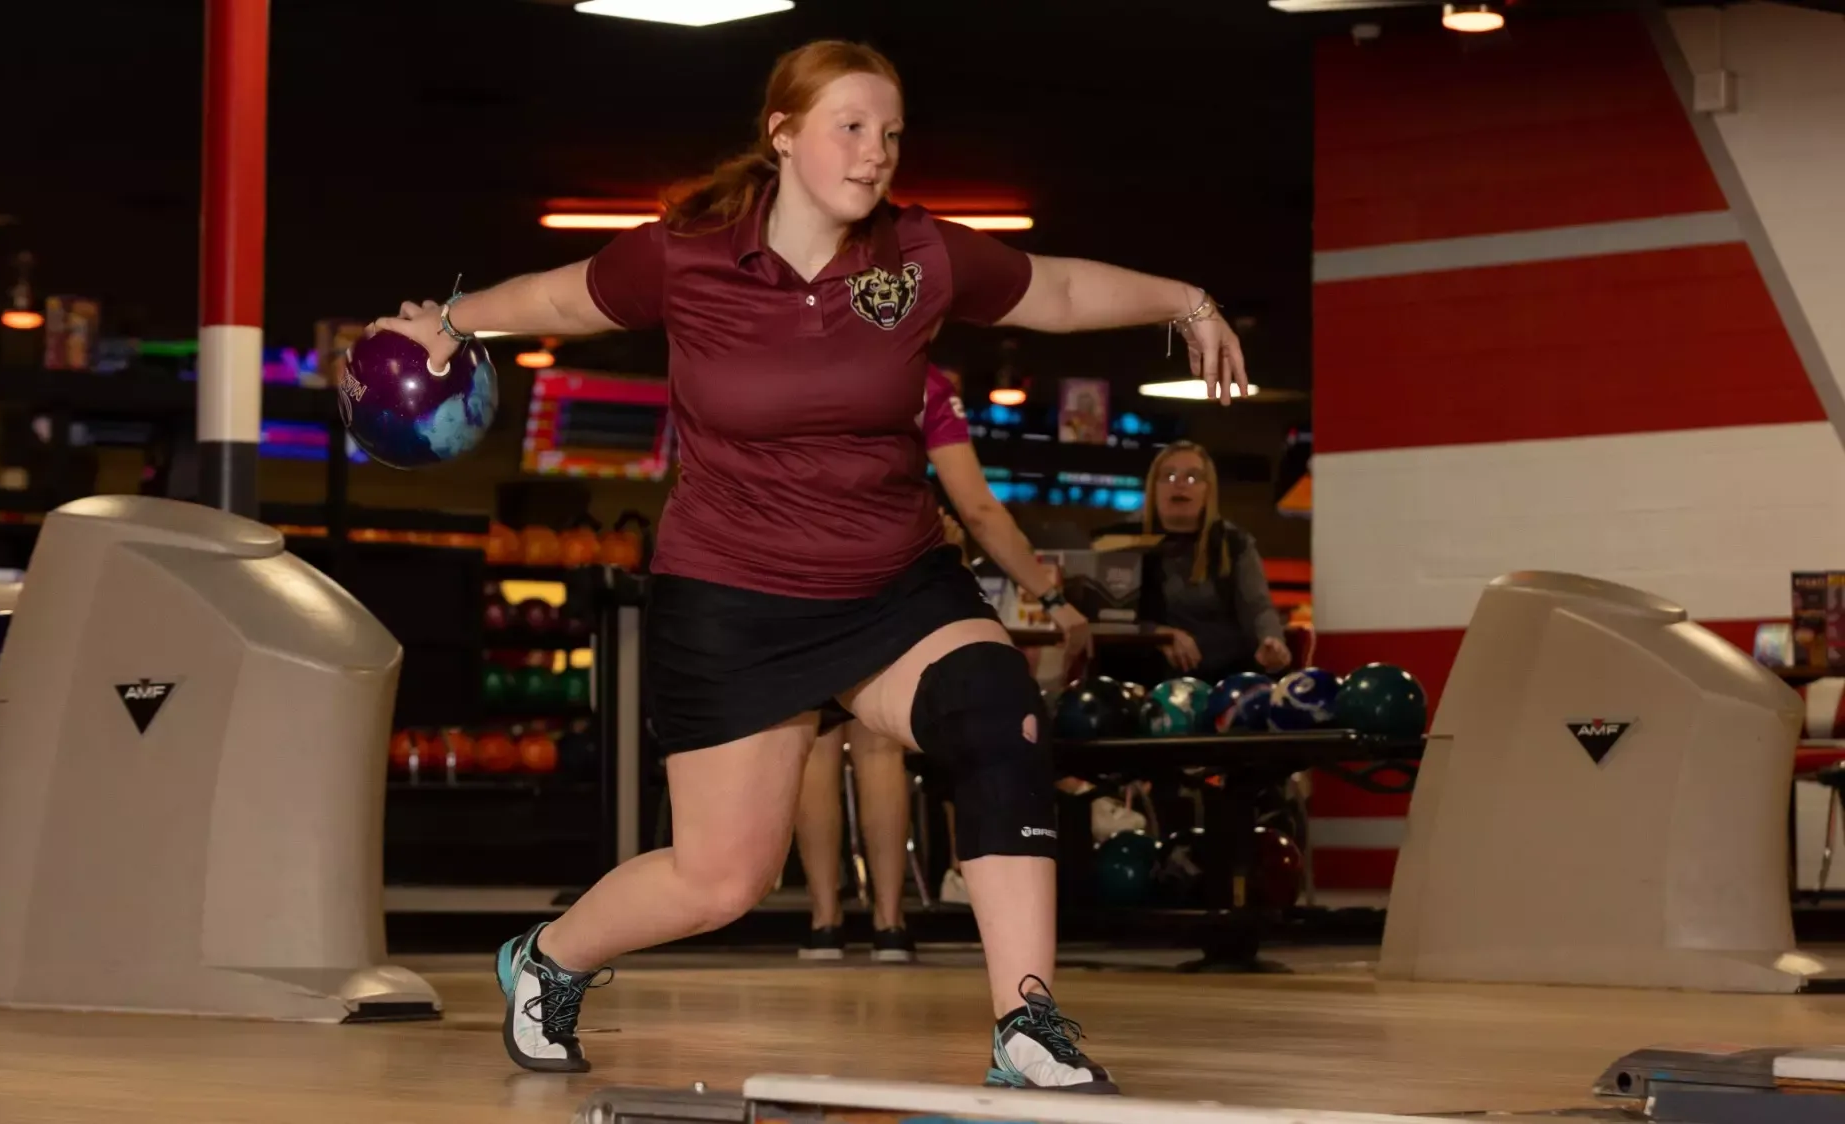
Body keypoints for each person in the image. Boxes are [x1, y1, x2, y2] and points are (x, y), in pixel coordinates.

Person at [366, 39, 1248, 1093]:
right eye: (850, 127)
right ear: (781, 135)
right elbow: (558, 303)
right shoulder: (685, 256)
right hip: (732, 601)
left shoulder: (917, 254)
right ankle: (548, 958)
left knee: (992, 703)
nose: (875, 153)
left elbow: (1051, 288)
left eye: (890, 133)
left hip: (893, 583)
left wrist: (1184, 297)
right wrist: (449, 321)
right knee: (722, 878)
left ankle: (1027, 1021)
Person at [792, 367, 1092, 960]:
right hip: (892, 569)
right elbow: (977, 508)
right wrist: (1053, 599)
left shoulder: (797, 361)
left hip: (802, 572)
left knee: (816, 747)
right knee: (879, 749)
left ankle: (824, 923)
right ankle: (888, 925)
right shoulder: (920, 378)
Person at [1130, 440, 1290, 685]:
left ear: (1208, 491)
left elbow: (1258, 608)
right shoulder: (1120, 541)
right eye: (1169, 476)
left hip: (1225, 679)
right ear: (1154, 488)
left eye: (1192, 478)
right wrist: (1158, 635)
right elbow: (1105, 621)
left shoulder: (1235, 543)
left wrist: (1272, 642)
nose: (1180, 484)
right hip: (1145, 678)